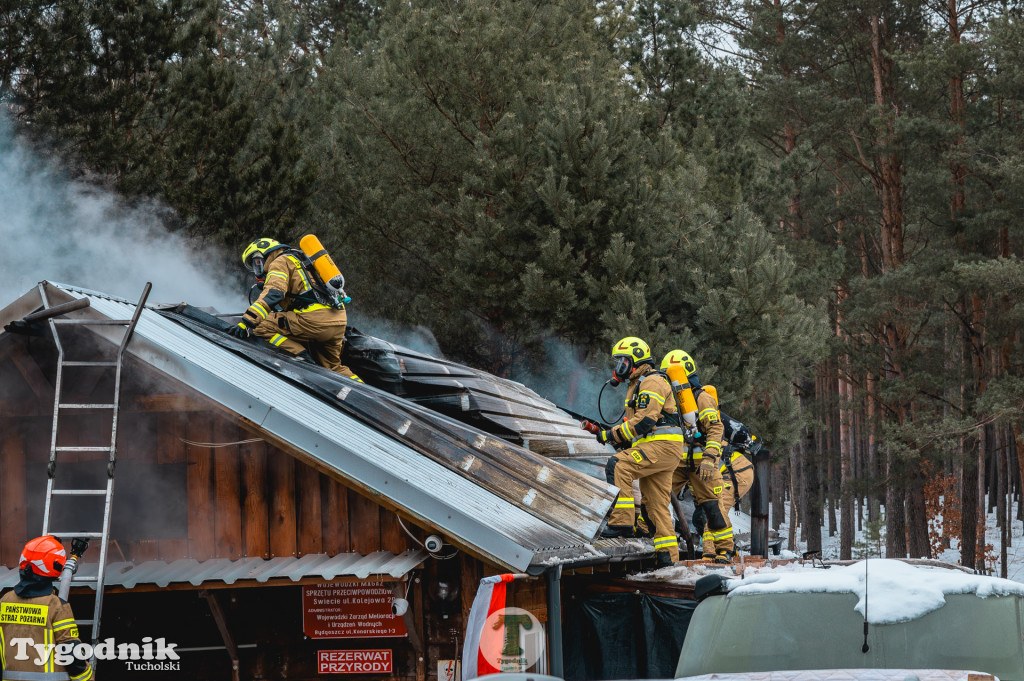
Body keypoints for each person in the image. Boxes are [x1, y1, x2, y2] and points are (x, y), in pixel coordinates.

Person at [595, 337, 686, 568]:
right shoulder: (638, 384)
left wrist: (611, 435)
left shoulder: (652, 381)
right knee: (656, 505)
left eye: (623, 361)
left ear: (634, 361)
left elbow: (645, 420)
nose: (619, 367)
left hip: (661, 447)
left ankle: (622, 522)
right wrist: (621, 438)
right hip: (662, 448)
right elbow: (640, 426)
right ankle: (668, 561)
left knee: (618, 465)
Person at [230, 238, 361, 381]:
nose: (258, 271)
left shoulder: (279, 262)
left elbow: (274, 294)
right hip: (337, 320)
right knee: (334, 367)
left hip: (314, 319)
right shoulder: (300, 258)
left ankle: (303, 360)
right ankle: (366, 394)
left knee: (260, 325)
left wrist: (246, 322)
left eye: (258, 263)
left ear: (267, 253)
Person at [661, 349, 734, 563]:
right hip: (676, 462)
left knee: (712, 507)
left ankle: (725, 550)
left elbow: (715, 428)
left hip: (702, 463)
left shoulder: (702, 399)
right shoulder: (671, 401)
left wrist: (710, 458)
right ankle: (650, 534)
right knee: (658, 496)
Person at [0, 536, 93, 681]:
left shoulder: (5, 601)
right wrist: (87, 678)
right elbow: (70, 652)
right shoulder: (56, 606)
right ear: (55, 567)